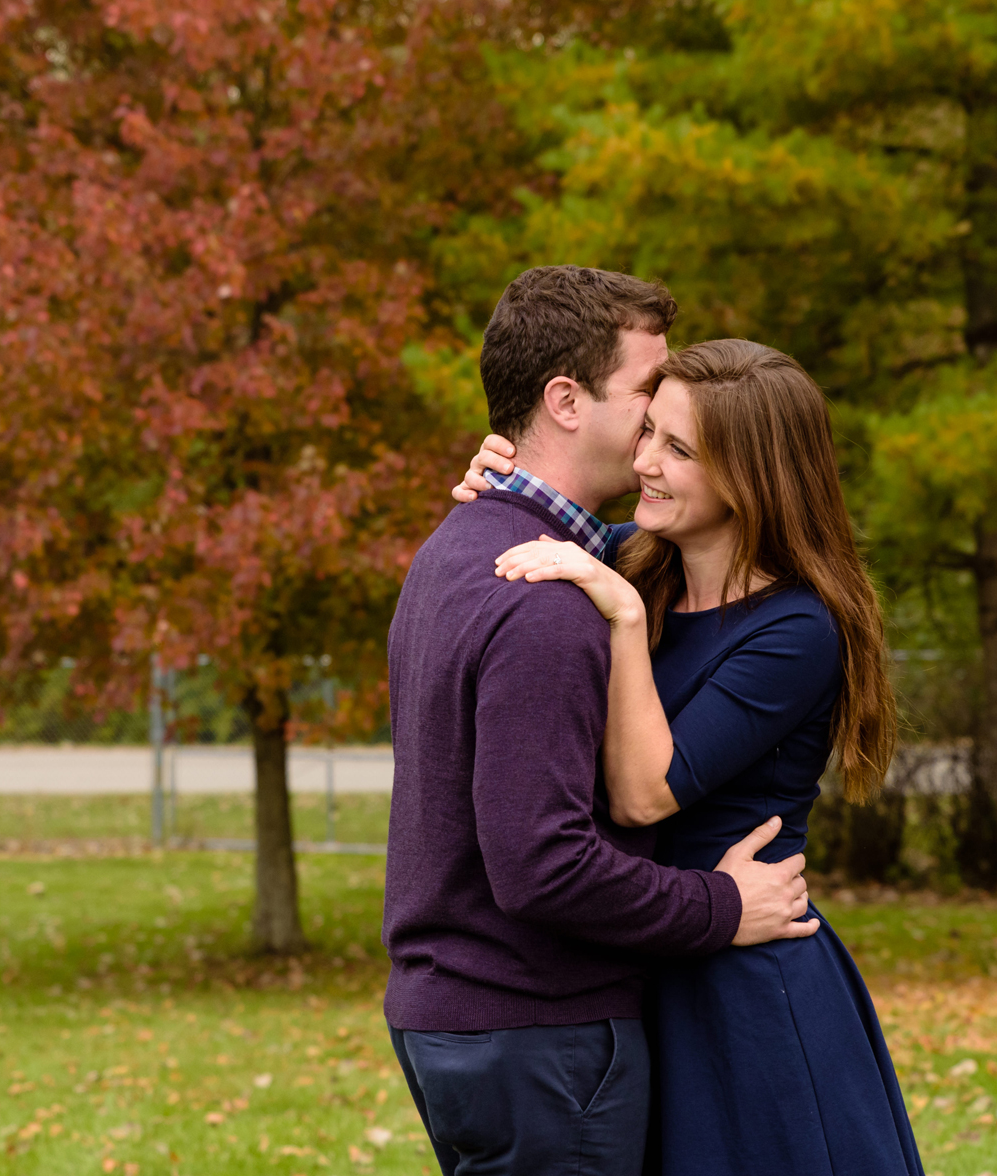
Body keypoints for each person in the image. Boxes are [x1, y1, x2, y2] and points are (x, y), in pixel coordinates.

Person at [384, 267, 823, 1176]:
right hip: (538, 1025)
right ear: (565, 399)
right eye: (646, 398)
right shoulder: (549, 593)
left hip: (480, 1014)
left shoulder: (464, 548)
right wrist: (719, 902)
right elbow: (544, 864)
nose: (657, 430)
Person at [457, 337, 924, 1176]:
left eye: (679, 449)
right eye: (648, 434)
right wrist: (497, 489)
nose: (646, 462)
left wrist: (625, 619)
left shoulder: (795, 630)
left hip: (749, 985)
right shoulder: (633, 559)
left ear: (753, 478)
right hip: (657, 953)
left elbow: (642, 794)